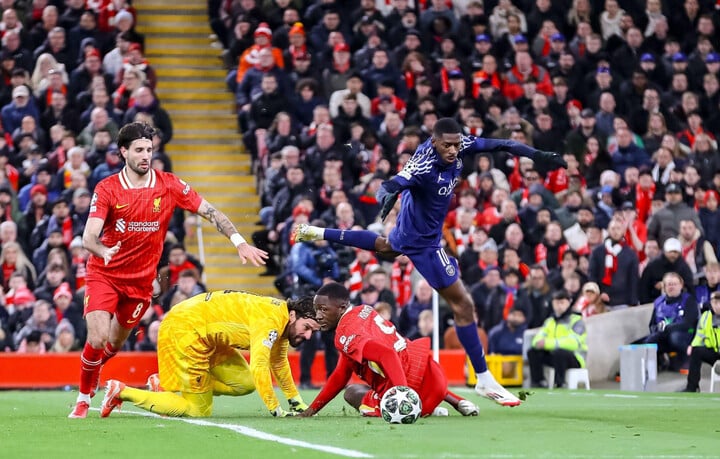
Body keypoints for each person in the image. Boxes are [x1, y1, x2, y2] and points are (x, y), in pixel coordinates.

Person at [293, 118, 566, 406]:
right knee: (464, 305)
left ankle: (319, 231)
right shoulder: (423, 164)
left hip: (410, 228)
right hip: (424, 242)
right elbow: (393, 182)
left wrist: (536, 155)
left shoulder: (461, 146)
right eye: (446, 145)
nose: (452, 150)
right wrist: (387, 194)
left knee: (386, 246)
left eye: (456, 145)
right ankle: (484, 378)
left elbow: (502, 144)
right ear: (433, 143)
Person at [68, 122, 269, 418]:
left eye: (149, 149)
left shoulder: (169, 185)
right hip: (105, 273)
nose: (145, 156)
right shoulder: (108, 188)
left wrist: (239, 243)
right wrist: (103, 250)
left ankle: (97, 369)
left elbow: (211, 212)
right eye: (138, 150)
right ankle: (84, 397)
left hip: (140, 284)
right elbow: (88, 237)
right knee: (97, 338)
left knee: (111, 345)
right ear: (123, 152)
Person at [100, 291, 319, 418]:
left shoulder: (281, 321)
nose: (308, 336)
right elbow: (260, 364)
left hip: (208, 335)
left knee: (245, 383)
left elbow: (278, 362)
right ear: (293, 315)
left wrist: (295, 400)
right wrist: (275, 409)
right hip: (188, 330)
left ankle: (169, 385)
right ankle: (120, 391)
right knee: (198, 411)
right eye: (307, 327)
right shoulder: (271, 321)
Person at [299, 282, 479, 418]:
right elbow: (340, 374)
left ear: (342, 307)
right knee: (393, 361)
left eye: (323, 309)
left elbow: (387, 354)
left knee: (352, 392)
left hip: (412, 390)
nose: (319, 315)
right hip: (434, 379)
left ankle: (417, 406)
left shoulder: (345, 332)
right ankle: (456, 400)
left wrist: (404, 395)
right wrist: (311, 410)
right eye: (317, 310)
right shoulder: (364, 310)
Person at [528, 290, 588, 388]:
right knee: (533, 351)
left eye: (562, 303)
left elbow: (573, 343)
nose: (559, 306)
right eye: (556, 303)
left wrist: (547, 343)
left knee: (559, 353)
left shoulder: (577, 321)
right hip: (555, 356)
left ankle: (560, 383)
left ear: (569, 302)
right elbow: (538, 338)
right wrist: (538, 343)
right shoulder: (550, 321)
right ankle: (538, 382)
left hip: (575, 358)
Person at [641, 272, 698, 371]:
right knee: (648, 340)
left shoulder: (689, 300)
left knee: (674, 337)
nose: (671, 287)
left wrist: (667, 328)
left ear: (681, 285)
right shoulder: (658, 302)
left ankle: (688, 358)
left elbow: (688, 323)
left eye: (674, 284)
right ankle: (650, 365)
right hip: (663, 334)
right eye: (668, 284)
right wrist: (657, 330)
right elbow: (652, 324)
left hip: (684, 334)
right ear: (664, 287)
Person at [682, 290, 720, 392]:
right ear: (711, 303)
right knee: (696, 351)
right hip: (714, 351)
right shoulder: (706, 317)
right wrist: (692, 345)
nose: (717, 305)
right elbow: (700, 335)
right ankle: (692, 387)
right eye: (715, 302)